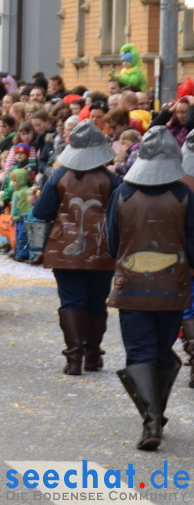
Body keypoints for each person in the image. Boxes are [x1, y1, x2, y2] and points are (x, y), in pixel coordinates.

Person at [105, 125, 194, 451]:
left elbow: (112, 242)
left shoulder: (122, 194)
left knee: (140, 350)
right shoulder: (185, 196)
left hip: (132, 286)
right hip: (173, 287)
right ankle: (156, 414)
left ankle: (151, 419)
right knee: (160, 349)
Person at [32, 121, 119, 376]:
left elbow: (41, 211)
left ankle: (73, 358)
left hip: (64, 248)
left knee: (71, 301)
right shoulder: (110, 179)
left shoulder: (59, 175)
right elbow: (118, 216)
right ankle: (93, 354)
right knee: (96, 302)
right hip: (102, 249)